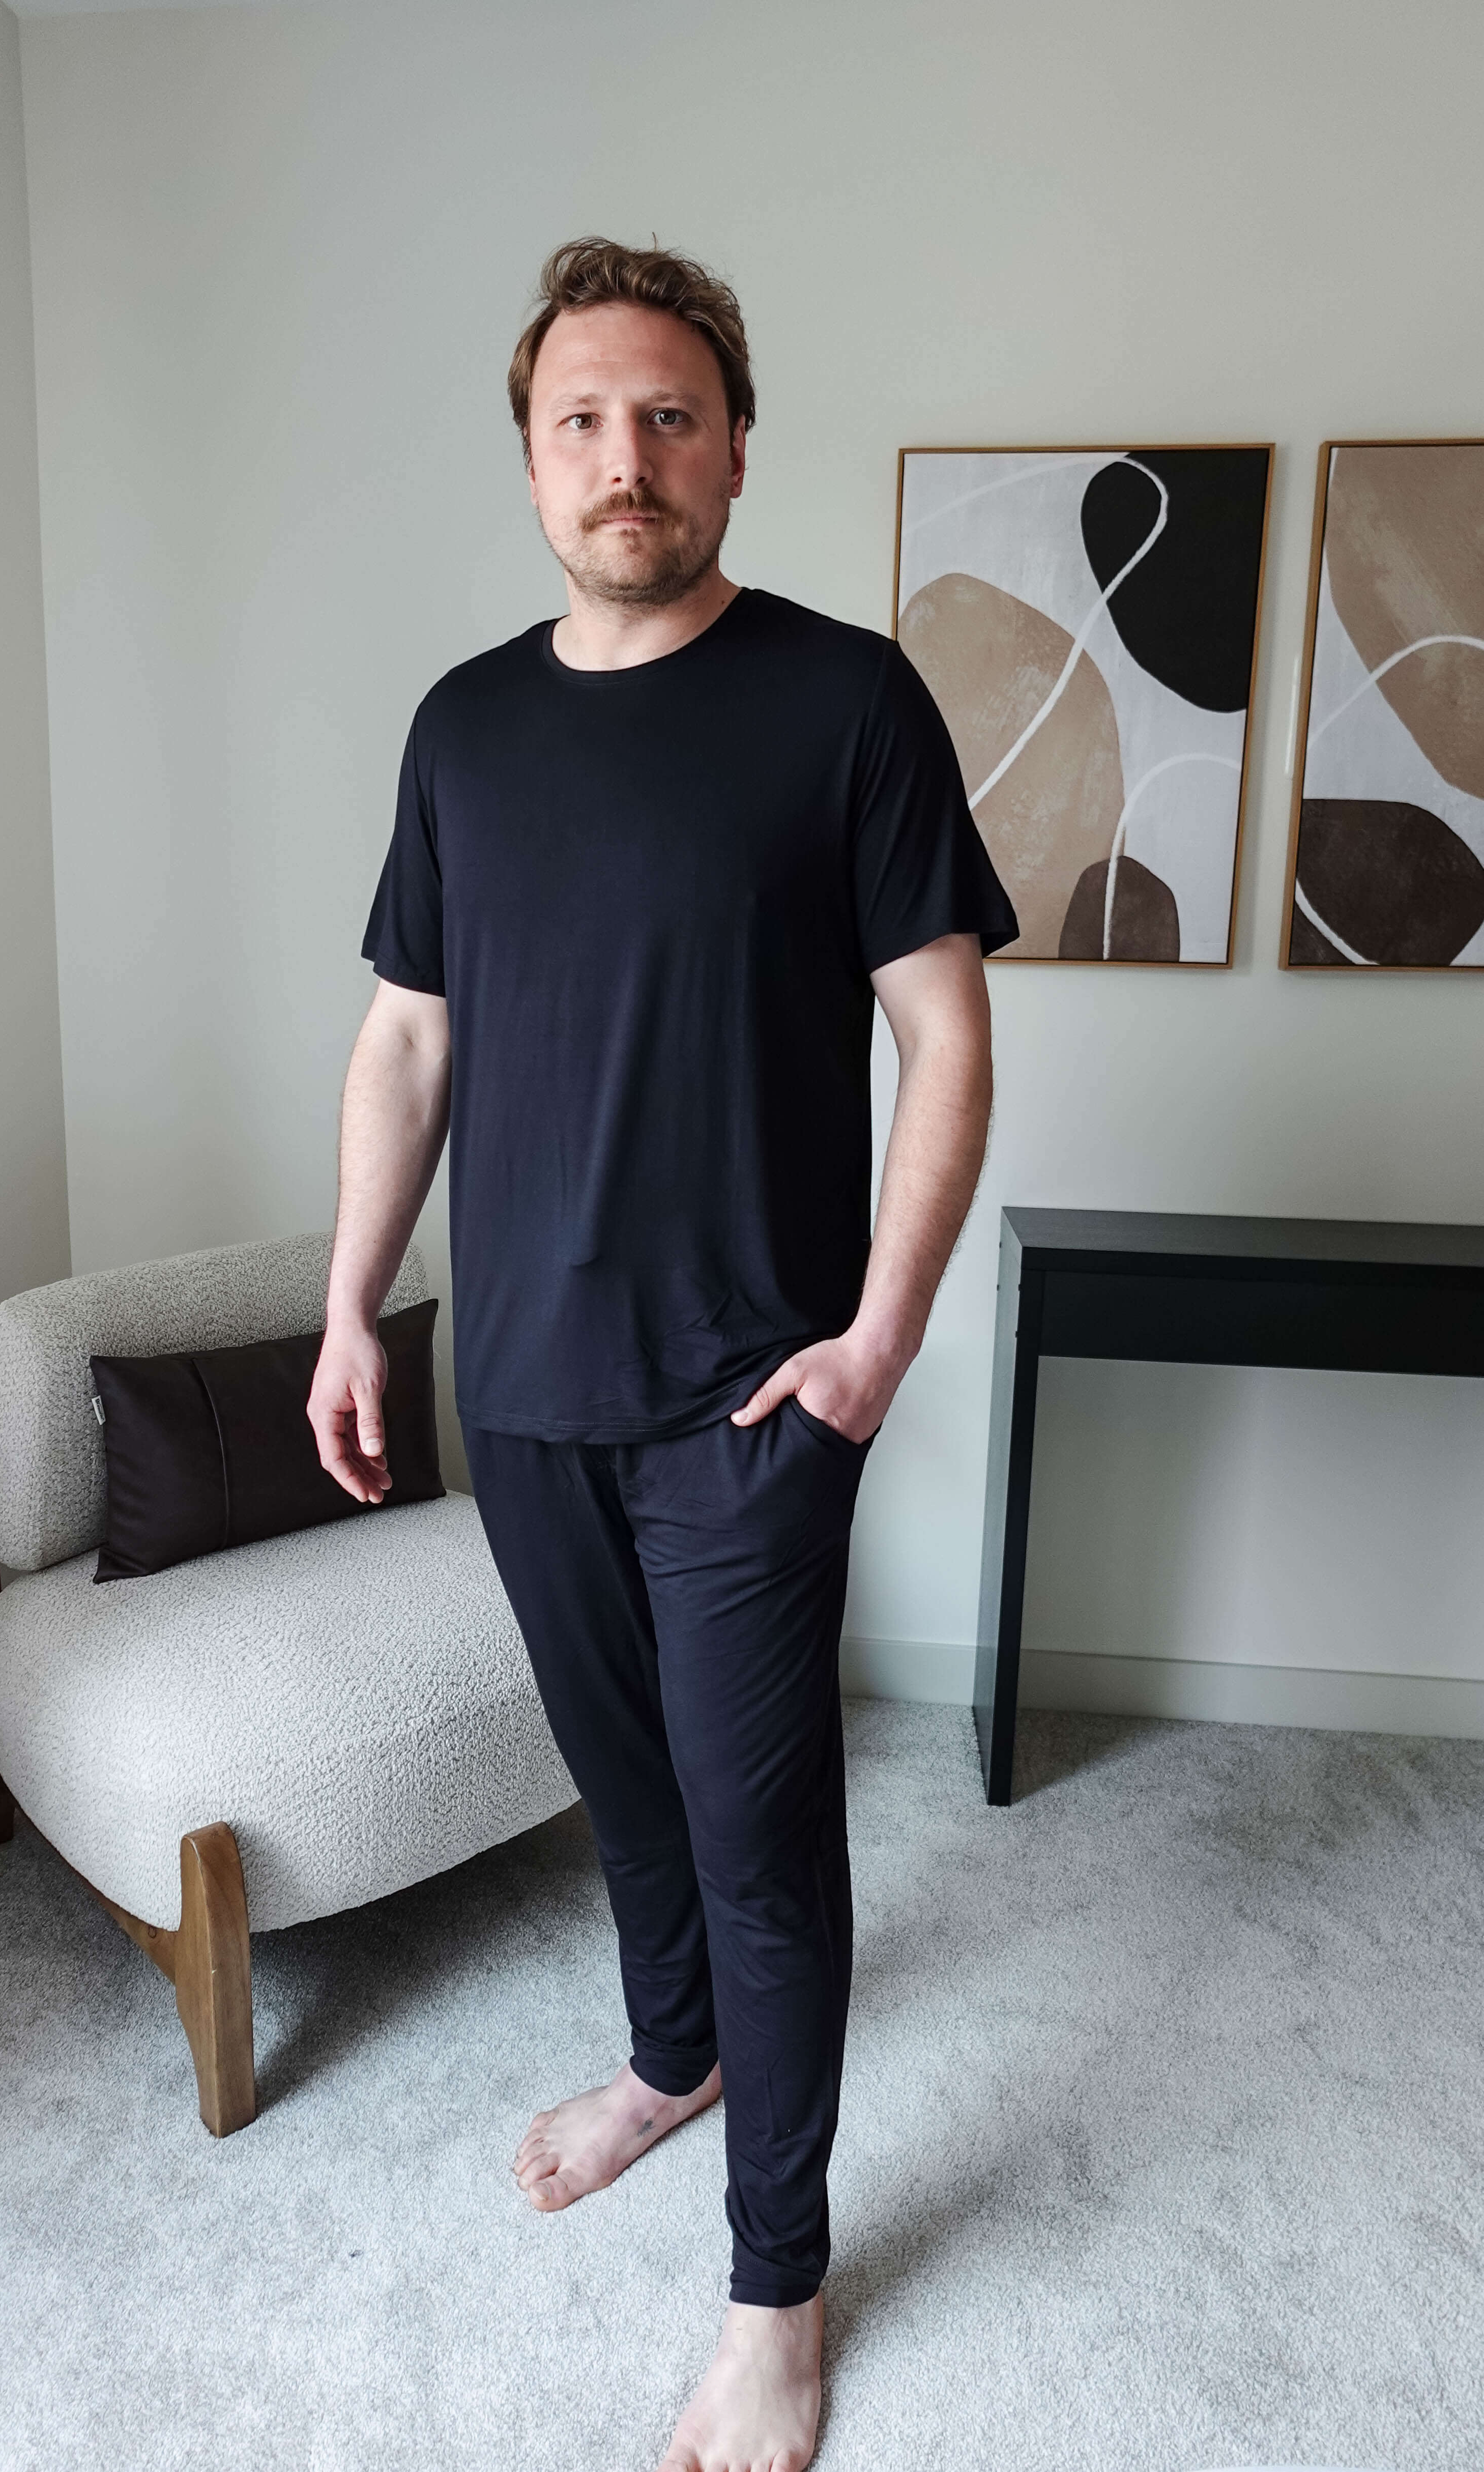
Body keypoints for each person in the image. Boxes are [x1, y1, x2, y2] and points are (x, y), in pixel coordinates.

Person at [308, 236, 1017, 2472]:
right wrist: (351, 1299)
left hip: (752, 1392)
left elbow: (945, 1028)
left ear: (732, 444)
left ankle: (776, 2290)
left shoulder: (843, 702)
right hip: (517, 1386)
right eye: (584, 420)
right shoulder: (463, 727)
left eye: (671, 415)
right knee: (628, 1793)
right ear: (532, 457)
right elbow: (408, 1040)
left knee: (760, 1828)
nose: (629, 457)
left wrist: (881, 1337)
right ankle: (671, 2050)